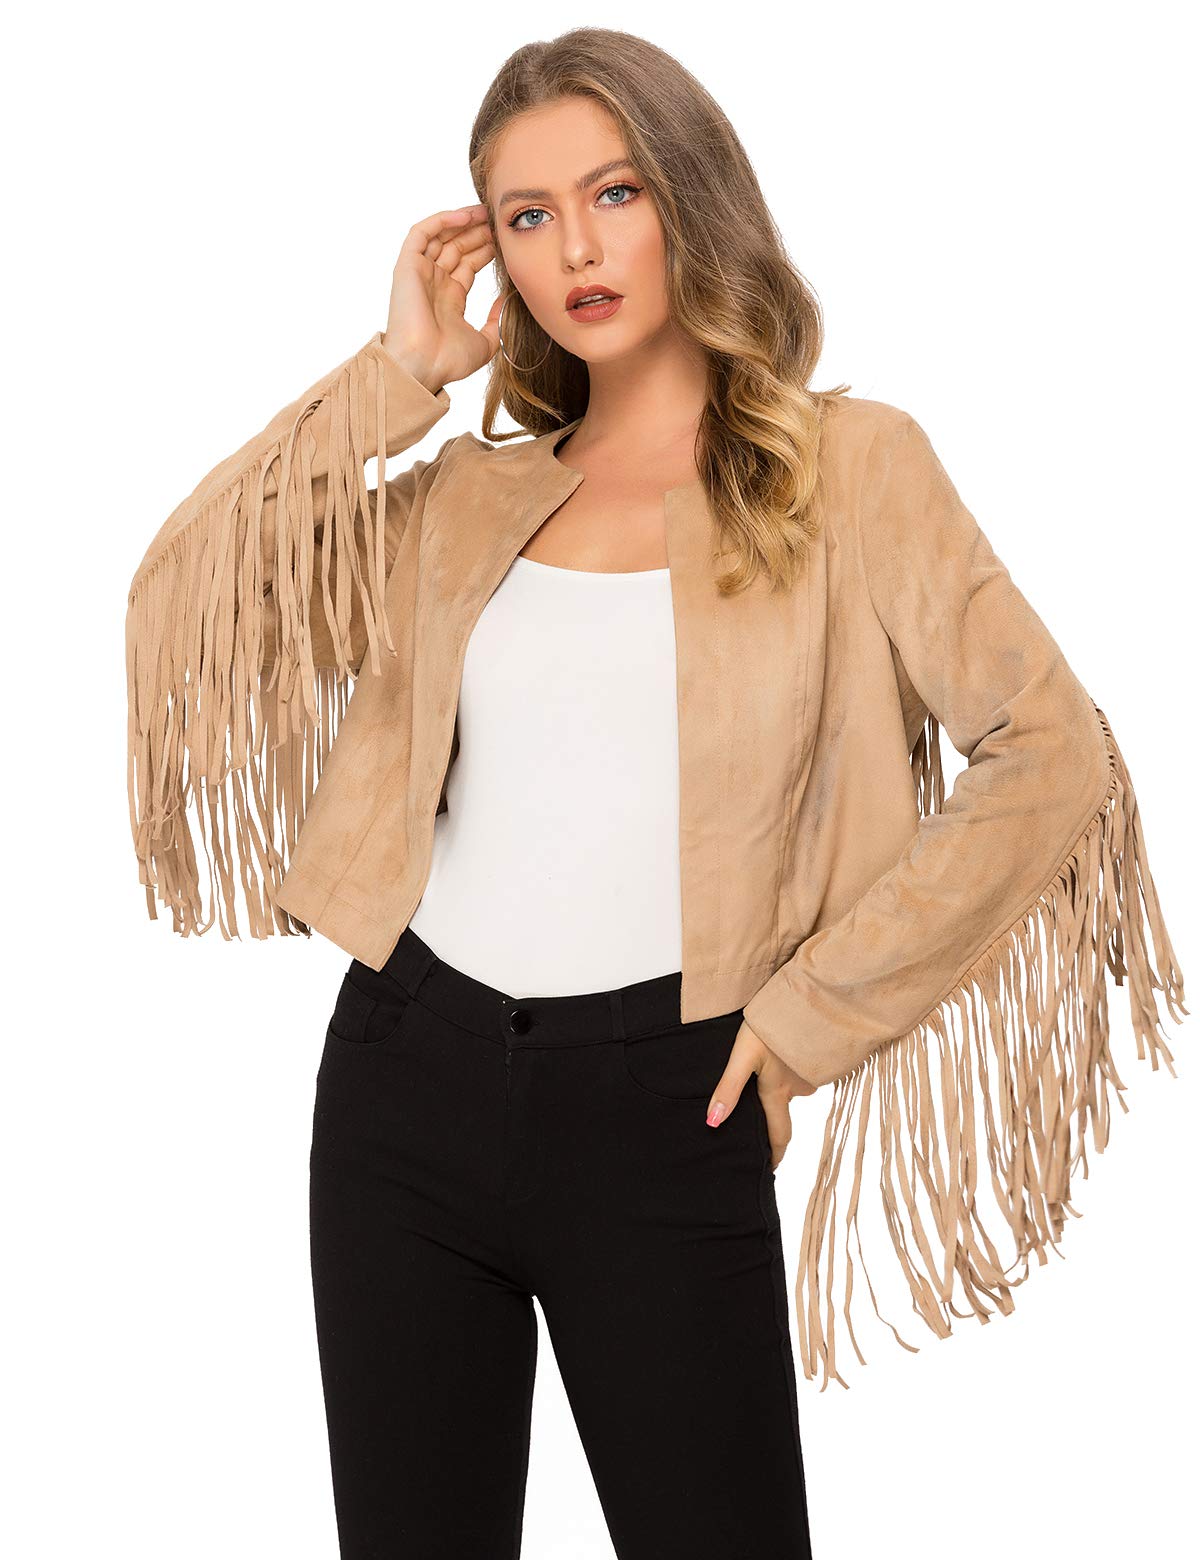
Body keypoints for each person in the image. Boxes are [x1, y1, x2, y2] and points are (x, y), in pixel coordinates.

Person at [123, 26, 1187, 1560]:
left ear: (690, 196)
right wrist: (396, 378)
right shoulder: (470, 493)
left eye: (613, 192)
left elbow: (1050, 748)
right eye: (528, 214)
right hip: (402, 1084)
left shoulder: (851, 469)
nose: (575, 248)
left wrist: (810, 1016)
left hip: (670, 1098)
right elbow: (186, 599)